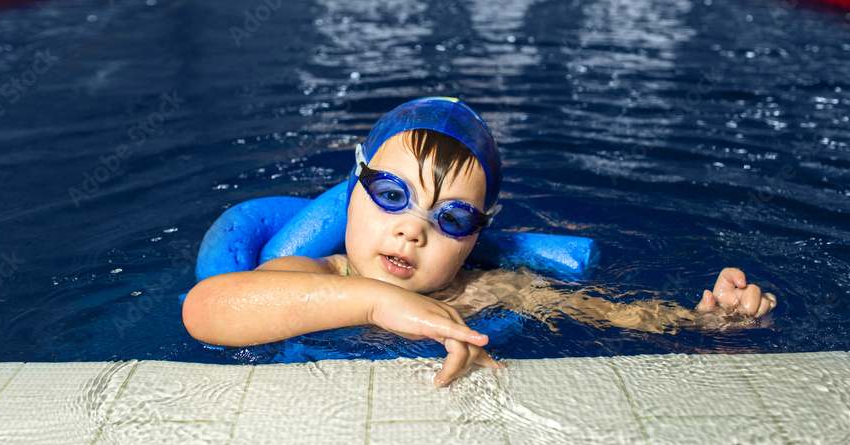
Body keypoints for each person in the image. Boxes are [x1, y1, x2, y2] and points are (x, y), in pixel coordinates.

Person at [182, 97, 777, 387]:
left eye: (452, 218)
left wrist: (706, 323)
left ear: (477, 235)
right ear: (353, 190)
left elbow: (605, 315)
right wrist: (374, 303)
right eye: (392, 196)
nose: (413, 228)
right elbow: (205, 309)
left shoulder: (490, 289)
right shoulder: (314, 274)